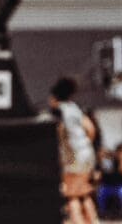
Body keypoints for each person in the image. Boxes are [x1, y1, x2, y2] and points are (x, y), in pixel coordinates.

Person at [49, 76, 97, 224]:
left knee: (72, 197)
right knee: (84, 194)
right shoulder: (75, 108)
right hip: (86, 153)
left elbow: (58, 135)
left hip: (73, 157)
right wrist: (84, 145)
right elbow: (91, 129)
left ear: (55, 97)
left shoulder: (58, 112)